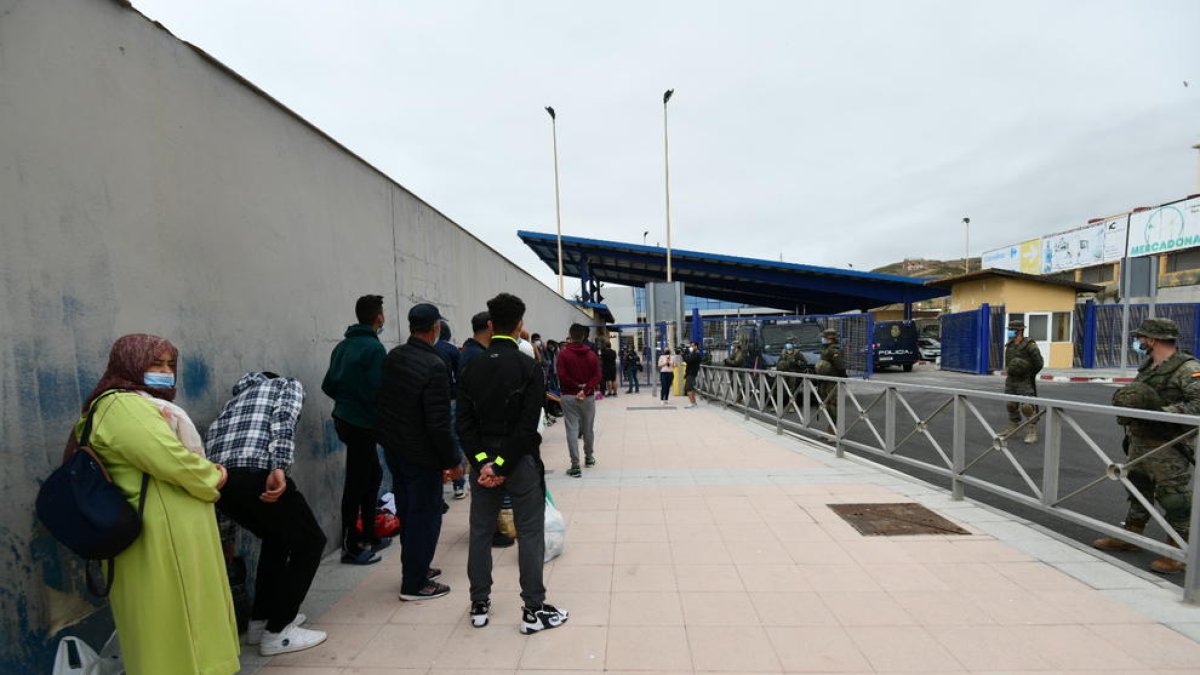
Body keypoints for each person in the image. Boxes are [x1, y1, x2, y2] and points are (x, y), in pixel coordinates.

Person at [67, 334, 239, 675]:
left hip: (168, 530)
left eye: (169, 365)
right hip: (161, 536)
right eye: (154, 363)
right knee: (175, 619)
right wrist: (213, 477)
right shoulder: (121, 405)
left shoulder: (135, 402)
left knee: (179, 616)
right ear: (128, 364)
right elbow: (168, 458)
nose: (164, 371)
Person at [457, 292, 569, 634]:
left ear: (490, 325)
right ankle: (533, 610)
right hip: (518, 461)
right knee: (530, 532)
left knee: (480, 531)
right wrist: (503, 464)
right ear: (520, 326)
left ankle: (479, 603)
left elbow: (464, 424)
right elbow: (526, 427)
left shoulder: (470, 365)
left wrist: (483, 464)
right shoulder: (529, 366)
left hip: (483, 464)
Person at [205, 372, 328, 656]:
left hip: (221, 483)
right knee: (310, 543)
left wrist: (225, 530)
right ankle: (279, 631)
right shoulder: (286, 385)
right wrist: (280, 468)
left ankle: (261, 621)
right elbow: (283, 421)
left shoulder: (233, 402)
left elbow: (210, 442)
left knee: (276, 539)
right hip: (260, 472)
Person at [1093, 318, 1200, 574]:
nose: (1139, 341)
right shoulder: (1150, 365)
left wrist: (1160, 412)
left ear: (1152, 339)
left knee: (1173, 497)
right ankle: (1131, 536)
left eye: (1142, 337)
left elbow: (1197, 405)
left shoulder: (1188, 368)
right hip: (1141, 440)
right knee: (1138, 488)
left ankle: (1180, 551)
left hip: (1170, 444)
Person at [376, 303, 458, 600]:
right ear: (435, 327)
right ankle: (415, 583)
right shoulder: (435, 365)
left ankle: (416, 567)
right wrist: (452, 461)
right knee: (425, 516)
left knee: (410, 513)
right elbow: (438, 422)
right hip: (421, 455)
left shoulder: (394, 357)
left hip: (395, 451)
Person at [321, 294, 388, 565]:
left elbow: (328, 385)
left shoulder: (343, 347)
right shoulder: (374, 349)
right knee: (358, 481)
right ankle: (351, 545)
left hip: (344, 419)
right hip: (363, 423)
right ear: (378, 317)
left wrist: (347, 400)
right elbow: (379, 391)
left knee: (372, 474)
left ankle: (369, 534)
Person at [556, 323, 601, 477]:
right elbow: (597, 376)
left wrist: (576, 386)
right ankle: (589, 457)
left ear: (570, 335)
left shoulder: (563, 354)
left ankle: (575, 465)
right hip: (587, 397)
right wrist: (585, 389)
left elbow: (561, 374)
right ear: (583, 336)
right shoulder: (591, 355)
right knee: (588, 428)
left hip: (569, 395)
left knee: (572, 429)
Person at [435, 320, 468, 500]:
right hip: (452, 400)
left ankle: (438, 486)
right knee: (456, 440)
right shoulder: (452, 350)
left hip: (432, 403)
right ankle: (459, 484)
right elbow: (460, 376)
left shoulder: (425, 349)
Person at [1003, 318, 1044, 444]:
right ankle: (1012, 427)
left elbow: (1039, 363)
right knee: (1011, 404)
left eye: (1012, 330)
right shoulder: (1009, 346)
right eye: (1010, 330)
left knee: (1027, 406)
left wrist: (1029, 374)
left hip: (1024, 380)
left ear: (1019, 330)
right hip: (1011, 380)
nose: (1010, 332)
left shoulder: (1029, 345)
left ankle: (1032, 431)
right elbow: (1007, 363)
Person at [815, 328, 847, 431]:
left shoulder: (834, 350)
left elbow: (840, 366)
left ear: (830, 339)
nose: (822, 339)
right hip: (824, 380)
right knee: (826, 404)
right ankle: (830, 428)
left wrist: (843, 378)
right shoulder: (825, 349)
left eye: (824, 338)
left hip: (832, 381)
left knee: (832, 405)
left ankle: (833, 429)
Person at [683, 341, 703, 409]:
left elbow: (688, 360)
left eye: (692, 346)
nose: (691, 347)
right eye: (690, 346)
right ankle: (694, 403)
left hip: (691, 373)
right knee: (691, 388)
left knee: (688, 388)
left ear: (696, 346)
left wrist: (684, 354)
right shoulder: (694, 353)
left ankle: (692, 403)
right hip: (691, 373)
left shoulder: (696, 354)